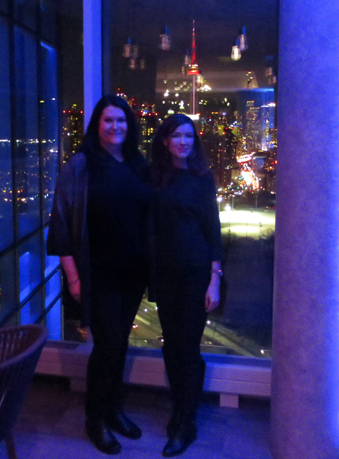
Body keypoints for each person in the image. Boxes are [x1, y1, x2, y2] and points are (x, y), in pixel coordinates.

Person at [47, 95, 150, 455]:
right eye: (108, 120)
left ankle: (114, 410)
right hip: (98, 271)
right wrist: (73, 277)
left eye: (121, 120)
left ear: (129, 125)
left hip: (133, 271)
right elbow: (61, 222)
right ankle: (96, 419)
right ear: (97, 125)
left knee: (120, 344)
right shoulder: (81, 164)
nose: (115, 126)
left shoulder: (138, 163)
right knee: (107, 346)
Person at [149, 114, 222, 457]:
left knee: (188, 349)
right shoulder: (155, 177)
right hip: (164, 274)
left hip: (195, 273)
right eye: (177, 136)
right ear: (165, 140)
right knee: (171, 345)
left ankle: (186, 422)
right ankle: (180, 407)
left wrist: (215, 279)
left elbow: (213, 229)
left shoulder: (202, 178)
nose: (183, 142)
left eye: (189, 136)